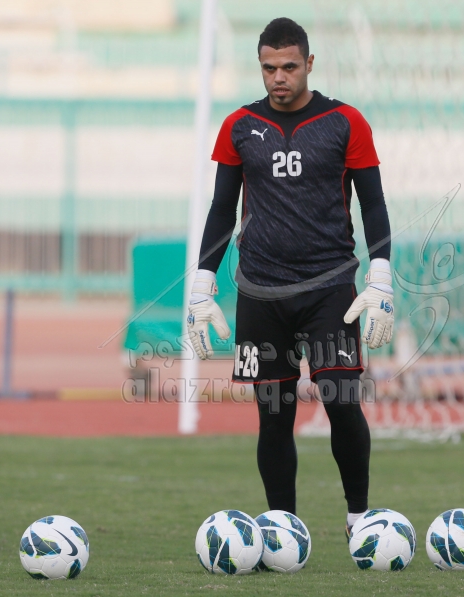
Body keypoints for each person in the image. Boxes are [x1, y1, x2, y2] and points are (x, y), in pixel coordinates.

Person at [187, 17, 394, 539]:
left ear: (309, 64)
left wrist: (382, 276)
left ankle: (359, 518)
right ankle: (284, 527)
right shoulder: (238, 126)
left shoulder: (346, 122)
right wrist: (202, 282)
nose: (278, 77)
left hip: (330, 289)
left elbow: (373, 204)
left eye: (289, 66)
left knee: (341, 401)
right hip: (260, 292)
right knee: (274, 415)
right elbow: (221, 208)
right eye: (268, 68)